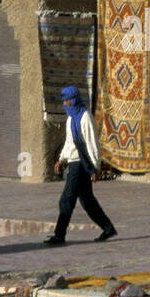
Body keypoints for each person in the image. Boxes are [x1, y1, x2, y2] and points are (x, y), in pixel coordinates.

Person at [46, 86, 117, 245]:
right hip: (73, 162)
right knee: (87, 200)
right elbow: (69, 142)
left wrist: (95, 167)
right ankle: (108, 228)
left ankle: (59, 235)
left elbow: (92, 143)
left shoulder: (85, 117)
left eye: (67, 100)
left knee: (66, 199)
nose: (65, 103)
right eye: (63, 100)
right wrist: (62, 159)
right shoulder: (71, 118)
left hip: (81, 164)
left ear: (74, 100)